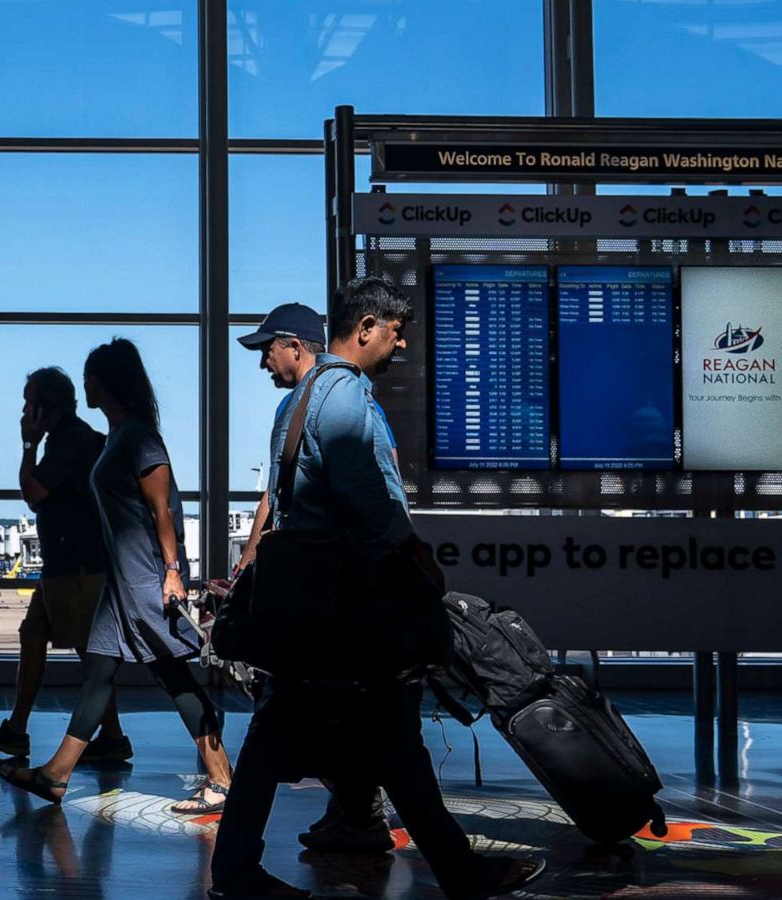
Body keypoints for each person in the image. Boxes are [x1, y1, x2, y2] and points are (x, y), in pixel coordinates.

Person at [209, 278, 545, 899]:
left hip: (313, 603)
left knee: (324, 737)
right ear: (365, 328)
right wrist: (413, 554)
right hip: (347, 603)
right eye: (394, 332)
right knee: (389, 736)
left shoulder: (301, 398)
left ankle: (237, 870)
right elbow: (365, 496)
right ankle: (457, 872)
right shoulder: (342, 395)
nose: (400, 342)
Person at [0, 338, 233, 815]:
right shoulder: (120, 433)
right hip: (119, 583)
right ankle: (56, 776)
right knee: (99, 674)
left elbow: (162, 508)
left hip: (146, 579)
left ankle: (223, 779)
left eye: (89, 376)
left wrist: (171, 572)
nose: (83, 384)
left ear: (105, 382)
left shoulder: (139, 437)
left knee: (173, 676)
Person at [229, 304, 395, 857]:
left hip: (323, 590)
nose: (263, 365)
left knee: (290, 719)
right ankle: (375, 824)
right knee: (382, 725)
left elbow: (364, 483)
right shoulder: (316, 400)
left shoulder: (318, 401)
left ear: (296, 346)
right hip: (335, 588)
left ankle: (358, 819)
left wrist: (257, 558)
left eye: (266, 351)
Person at [0, 367, 131, 763]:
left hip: (74, 567)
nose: (23, 410)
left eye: (29, 402)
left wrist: (27, 445)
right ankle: (19, 729)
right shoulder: (77, 438)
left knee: (90, 653)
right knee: (34, 636)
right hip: (66, 564)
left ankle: (109, 736)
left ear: (44, 408)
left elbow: (34, 493)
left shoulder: (69, 442)